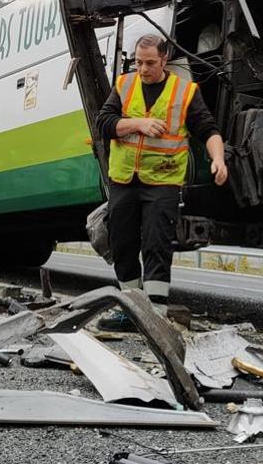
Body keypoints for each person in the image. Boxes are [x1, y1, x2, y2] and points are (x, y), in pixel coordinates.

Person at [94, 34, 227, 326]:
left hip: (163, 181)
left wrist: (218, 159)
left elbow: (208, 130)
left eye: (150, 63)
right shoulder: (124, 85)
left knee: (156, 243)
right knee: (122, 243)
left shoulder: (185, 92)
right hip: (124, 179)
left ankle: (155, 314)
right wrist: (138, 124)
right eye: (138, 62)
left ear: (164, 60)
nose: (143, 69)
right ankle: (130, 308)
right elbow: (103, 124)